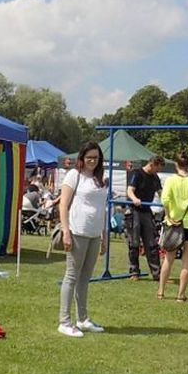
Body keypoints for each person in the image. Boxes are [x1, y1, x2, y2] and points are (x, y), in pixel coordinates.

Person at [56, 142, 110, 338]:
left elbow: (103, 208)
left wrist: (104, 235)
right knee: (71, 276)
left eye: (96, 158)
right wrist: (66, 232)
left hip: (95, 234)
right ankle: (64, 321)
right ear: (82, 157)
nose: (92, 161)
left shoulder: (102, 179)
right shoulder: (73, 175)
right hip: (77, 231)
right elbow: (63, 205)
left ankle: (83, 319)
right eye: (89, 157)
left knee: (85, 278)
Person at [158, 151, 188, 301]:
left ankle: (161, 291)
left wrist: (168, 216)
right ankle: (181, 295)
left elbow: (165, 200)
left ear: (175, 164)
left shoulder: (171, 180)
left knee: (168, 258)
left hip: (174, 223)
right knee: (187, 260)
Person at [125, 156, 164, 281]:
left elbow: (161, 193)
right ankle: (134, 271)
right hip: (134, 211)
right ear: (152, 164)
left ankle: (157, 273)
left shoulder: (155, 177)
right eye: (158, 169)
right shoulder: (137, 174)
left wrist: (167, 203)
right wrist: (135, 199)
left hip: (147, 211)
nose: (158, 172)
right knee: (134, 243)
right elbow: (129, 190)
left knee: (152, 243)